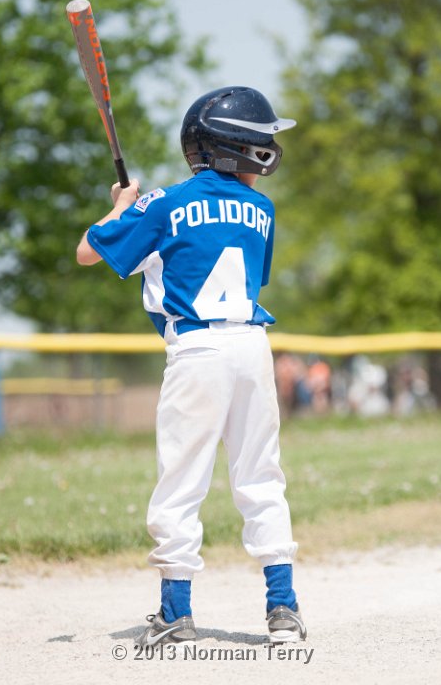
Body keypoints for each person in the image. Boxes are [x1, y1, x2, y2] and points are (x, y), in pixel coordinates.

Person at [76, 86, 307, 645]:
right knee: (261, 476)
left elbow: (87, 252)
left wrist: (123, 207)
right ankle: (283, 608)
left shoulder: (166, 202)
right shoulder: (262, 209)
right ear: (233, 149)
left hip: (197, 351)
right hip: (252, 346)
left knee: (182, 481)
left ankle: (175, 612)